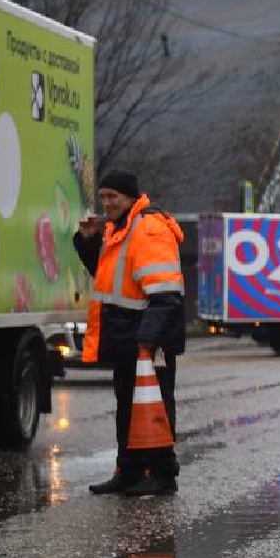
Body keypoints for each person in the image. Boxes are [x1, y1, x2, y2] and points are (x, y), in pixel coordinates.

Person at [74, 169, 186, 497]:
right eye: (104, 196)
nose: (107, 202)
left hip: (147, 339)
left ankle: (162, 473)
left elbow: (165, 293)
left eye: (114, 197)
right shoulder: (118, 228)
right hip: (129, 336)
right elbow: (108, 275)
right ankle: (130, 470)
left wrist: (147, 341)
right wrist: (90, 240)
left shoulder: (148, 227)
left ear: (131, 197)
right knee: (127, 406)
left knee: (154, 408)